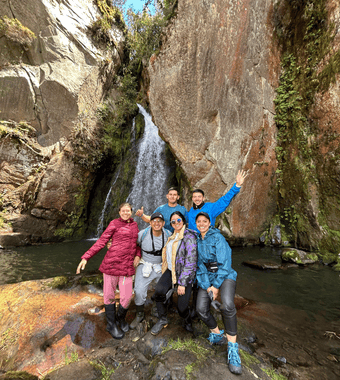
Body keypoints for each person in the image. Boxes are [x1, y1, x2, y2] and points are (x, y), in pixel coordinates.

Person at [76, 202, 140, 340]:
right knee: (109, 295)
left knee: (127, 296)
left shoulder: (134, 225)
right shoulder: (114, 224)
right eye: (123, 211)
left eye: (128, 211)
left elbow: (136, 244)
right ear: (119, 212)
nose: (125, 213)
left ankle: (120, 319)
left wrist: (138, 255)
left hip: (126, 267)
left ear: (131, 212)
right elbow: (102, 241)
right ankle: (111, 325)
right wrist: (86, 257)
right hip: (111, 265)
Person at [195, 211, 242, 375]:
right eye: (199, 221)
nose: (201, 224)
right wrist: (207, 286)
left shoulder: (218, 238)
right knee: (201, 309)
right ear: (196, 224)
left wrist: (216, 287)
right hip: (207, 277)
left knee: (228, 306)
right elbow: (199, 266)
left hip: (225, 274)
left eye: (204, 221)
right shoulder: (197, 240)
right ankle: (216, 333)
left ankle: (233, 349)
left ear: (209, 223)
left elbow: (225, 263)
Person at [151, 211, 197, 335]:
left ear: (183, 221)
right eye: (173, 221)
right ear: (170, 224)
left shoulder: (189, 236)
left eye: (178, 220)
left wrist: (181, 283)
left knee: (181, 308)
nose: (176, 223)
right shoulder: (172, 235)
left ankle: (187, 319)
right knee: (159, 291)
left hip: (184, 275)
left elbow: (191, 262)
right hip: (171, 271)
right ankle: (162, 319)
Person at [130, 212, 172, 329]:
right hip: (145, 264)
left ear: (163, 223)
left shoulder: (169, 234)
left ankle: (157, 307)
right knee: (138, 290)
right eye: (154, 221)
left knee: (167, 288)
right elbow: (133, 244)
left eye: (159, 221)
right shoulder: (142, 234)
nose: (156, 223)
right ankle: (139, 314)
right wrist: (137, 255)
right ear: (150, 222)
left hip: (161, 265)